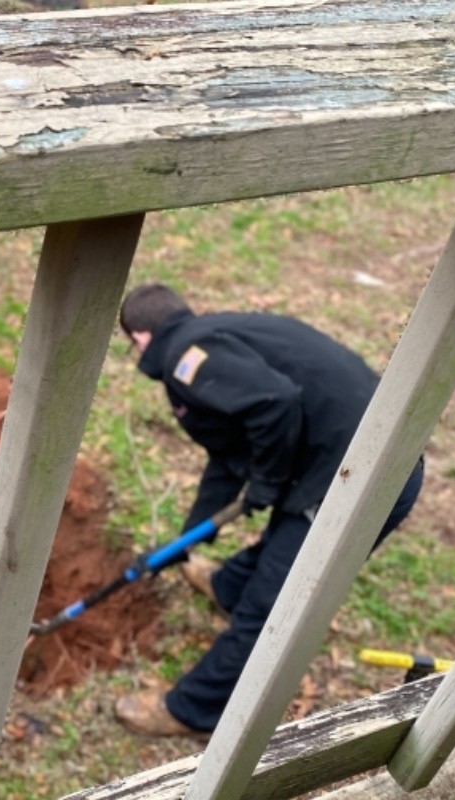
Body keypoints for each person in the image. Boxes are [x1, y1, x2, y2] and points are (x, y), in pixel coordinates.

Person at [113, 284, 424, 737]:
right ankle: (226, 586)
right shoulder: (216, 335)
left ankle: (193, 711)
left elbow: (274, 403)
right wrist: (190, 536)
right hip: (339, 459)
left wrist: (268, 481)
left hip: (366, 477)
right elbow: (227, 457)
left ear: (140, 338)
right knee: (286, 541)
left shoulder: (187, 357)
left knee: (274, 601)